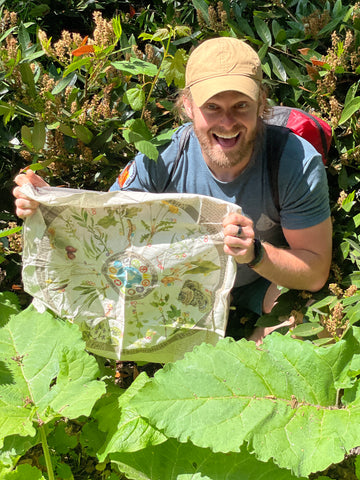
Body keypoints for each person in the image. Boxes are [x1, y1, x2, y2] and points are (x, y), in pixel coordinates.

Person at [13, 37, 332, 344]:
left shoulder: (294, 162)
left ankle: (256, 344)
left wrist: (255, 252)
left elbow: (315, 271)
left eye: (240, 105)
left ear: (261, 103)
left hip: (260, 283)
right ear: (188, 106)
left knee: (314, 324)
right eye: (212, 107)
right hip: (176, 286)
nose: (227, 122)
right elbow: (104, 224)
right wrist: (49, 204)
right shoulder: (163, 156)